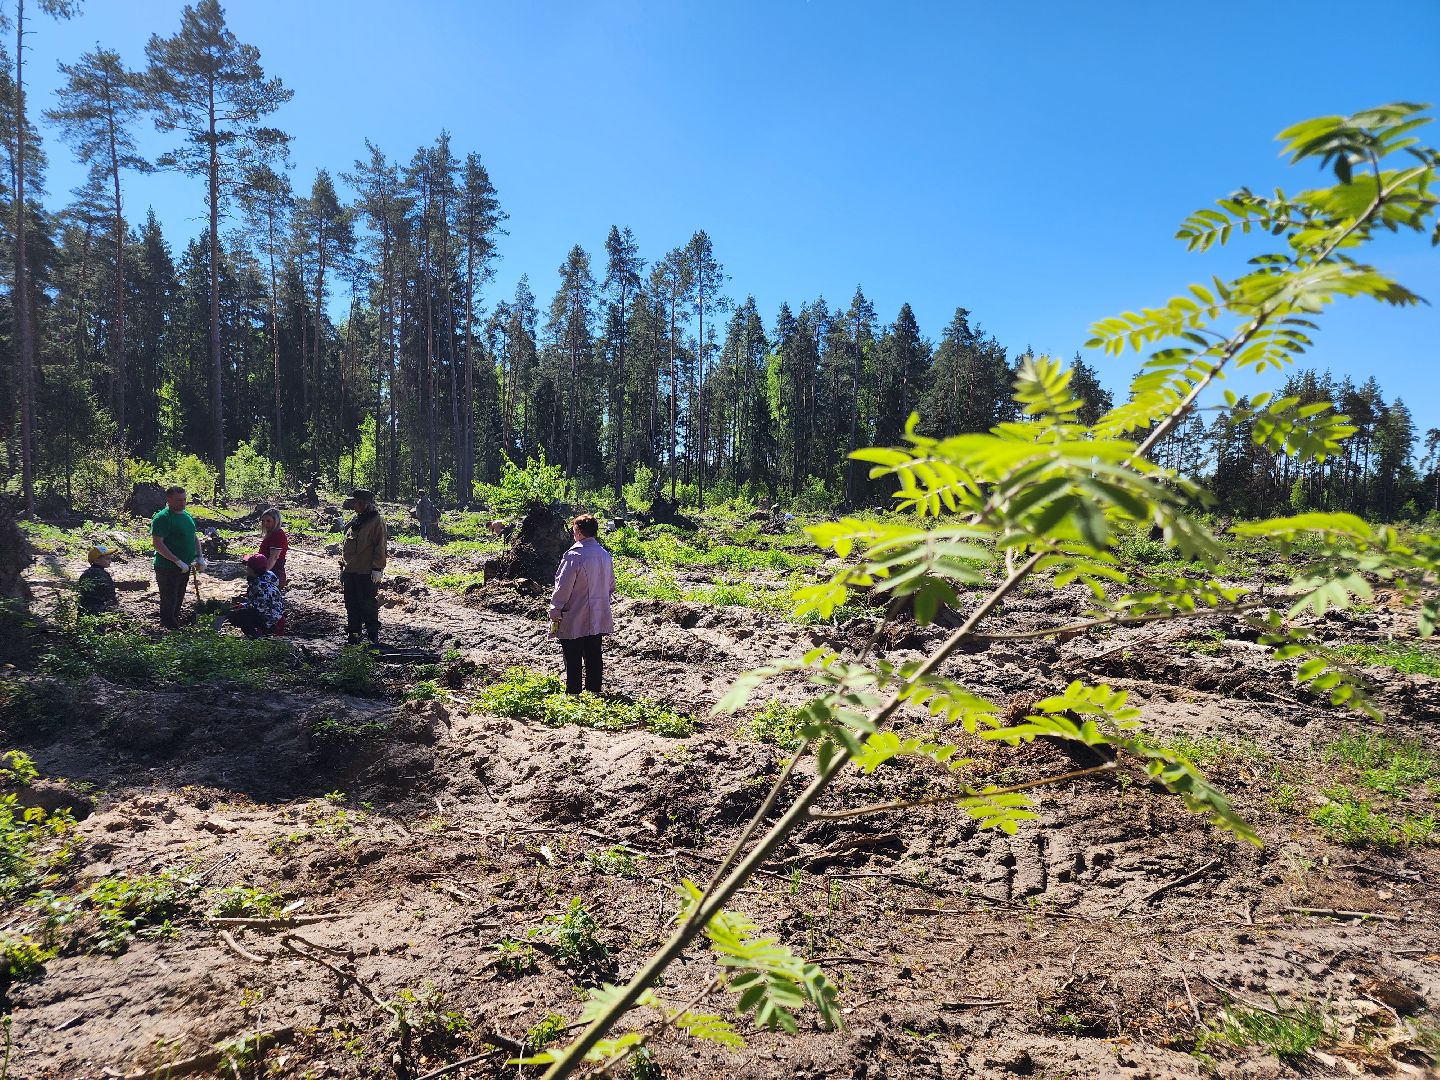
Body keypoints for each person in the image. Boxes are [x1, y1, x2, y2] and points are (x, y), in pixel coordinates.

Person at [549, 513, 616, 695]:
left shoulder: (574, 555)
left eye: (574, 530)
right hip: (598, 613)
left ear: (578, 531)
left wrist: (555, 608)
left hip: (575, 613)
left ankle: (573, 694)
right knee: (594, 653)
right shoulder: (604, 555)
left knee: (572, 654)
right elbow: (611, 586)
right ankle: (594, 691)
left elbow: (563, 586)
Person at [151, 486, 205, 630]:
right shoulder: (163, 518)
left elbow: (194, 537)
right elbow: (157, 543)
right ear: (168, 500)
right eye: (178, 500)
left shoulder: (186, 515)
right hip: (167, 567)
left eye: (184, 500)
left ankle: (174, 622)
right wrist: (176, 560)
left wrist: (200, 557)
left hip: (185, 566)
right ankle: (168, 626)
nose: (182, 503)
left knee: (179, 596)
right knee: (169, 598)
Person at [340, 489, 387, 646]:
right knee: (351, 605)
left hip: (366, 572)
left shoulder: (376, 521)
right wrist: (344, 568)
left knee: (367, 605)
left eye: (357, 502)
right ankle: (354, 637)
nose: (354, 505)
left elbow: (380, 546)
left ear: (366, 504)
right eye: (354, 502)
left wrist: (377, 568)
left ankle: (372, 637)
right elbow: (347, 546)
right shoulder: (357, 521)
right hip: (351, 571)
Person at [222, 554, 284, 638]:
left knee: (235, 616)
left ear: (251, 569)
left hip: (271, 618)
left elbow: (259, 606)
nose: (246, 567)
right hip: (275, 612)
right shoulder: (267, 576)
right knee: (240, 611)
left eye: (247, 566)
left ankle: (257, 636)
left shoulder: (260, 585)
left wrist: (242, 606)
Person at [78, 544, 118, 616]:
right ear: (96, 560)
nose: (110, 561)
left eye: (110, 558)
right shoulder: (103, 575)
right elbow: (110, 594)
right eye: (107, 559)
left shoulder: (85, 573)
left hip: (84, 609)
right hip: (99, 610)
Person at [258, 507, 289, 588]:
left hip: (274, 574)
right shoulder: (271, 534)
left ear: (276, 521)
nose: (265, 524)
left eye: (268, 521)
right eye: (263, 521)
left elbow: (274, 558)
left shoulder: (277, 535)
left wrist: (261, 574)